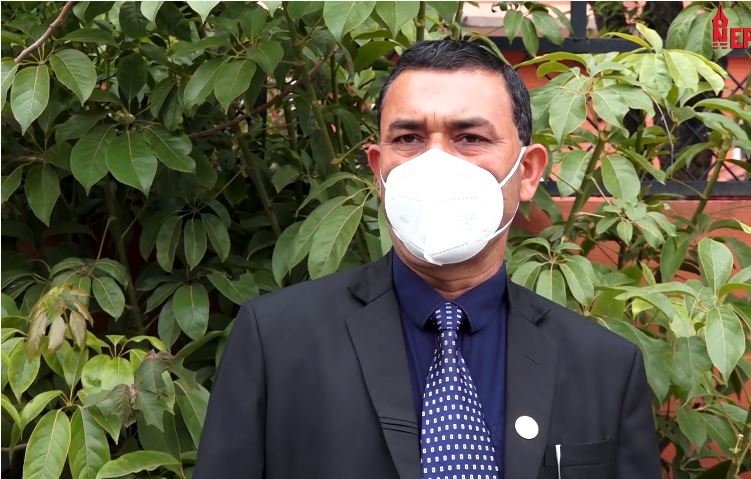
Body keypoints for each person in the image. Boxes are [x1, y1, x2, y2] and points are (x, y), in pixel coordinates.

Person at [195, 39, 660, 479]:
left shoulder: (604, 368)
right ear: (378, 170)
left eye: (470, 138)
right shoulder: (276, 343)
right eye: (409, 138)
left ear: (528, 171)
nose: (436, 163)